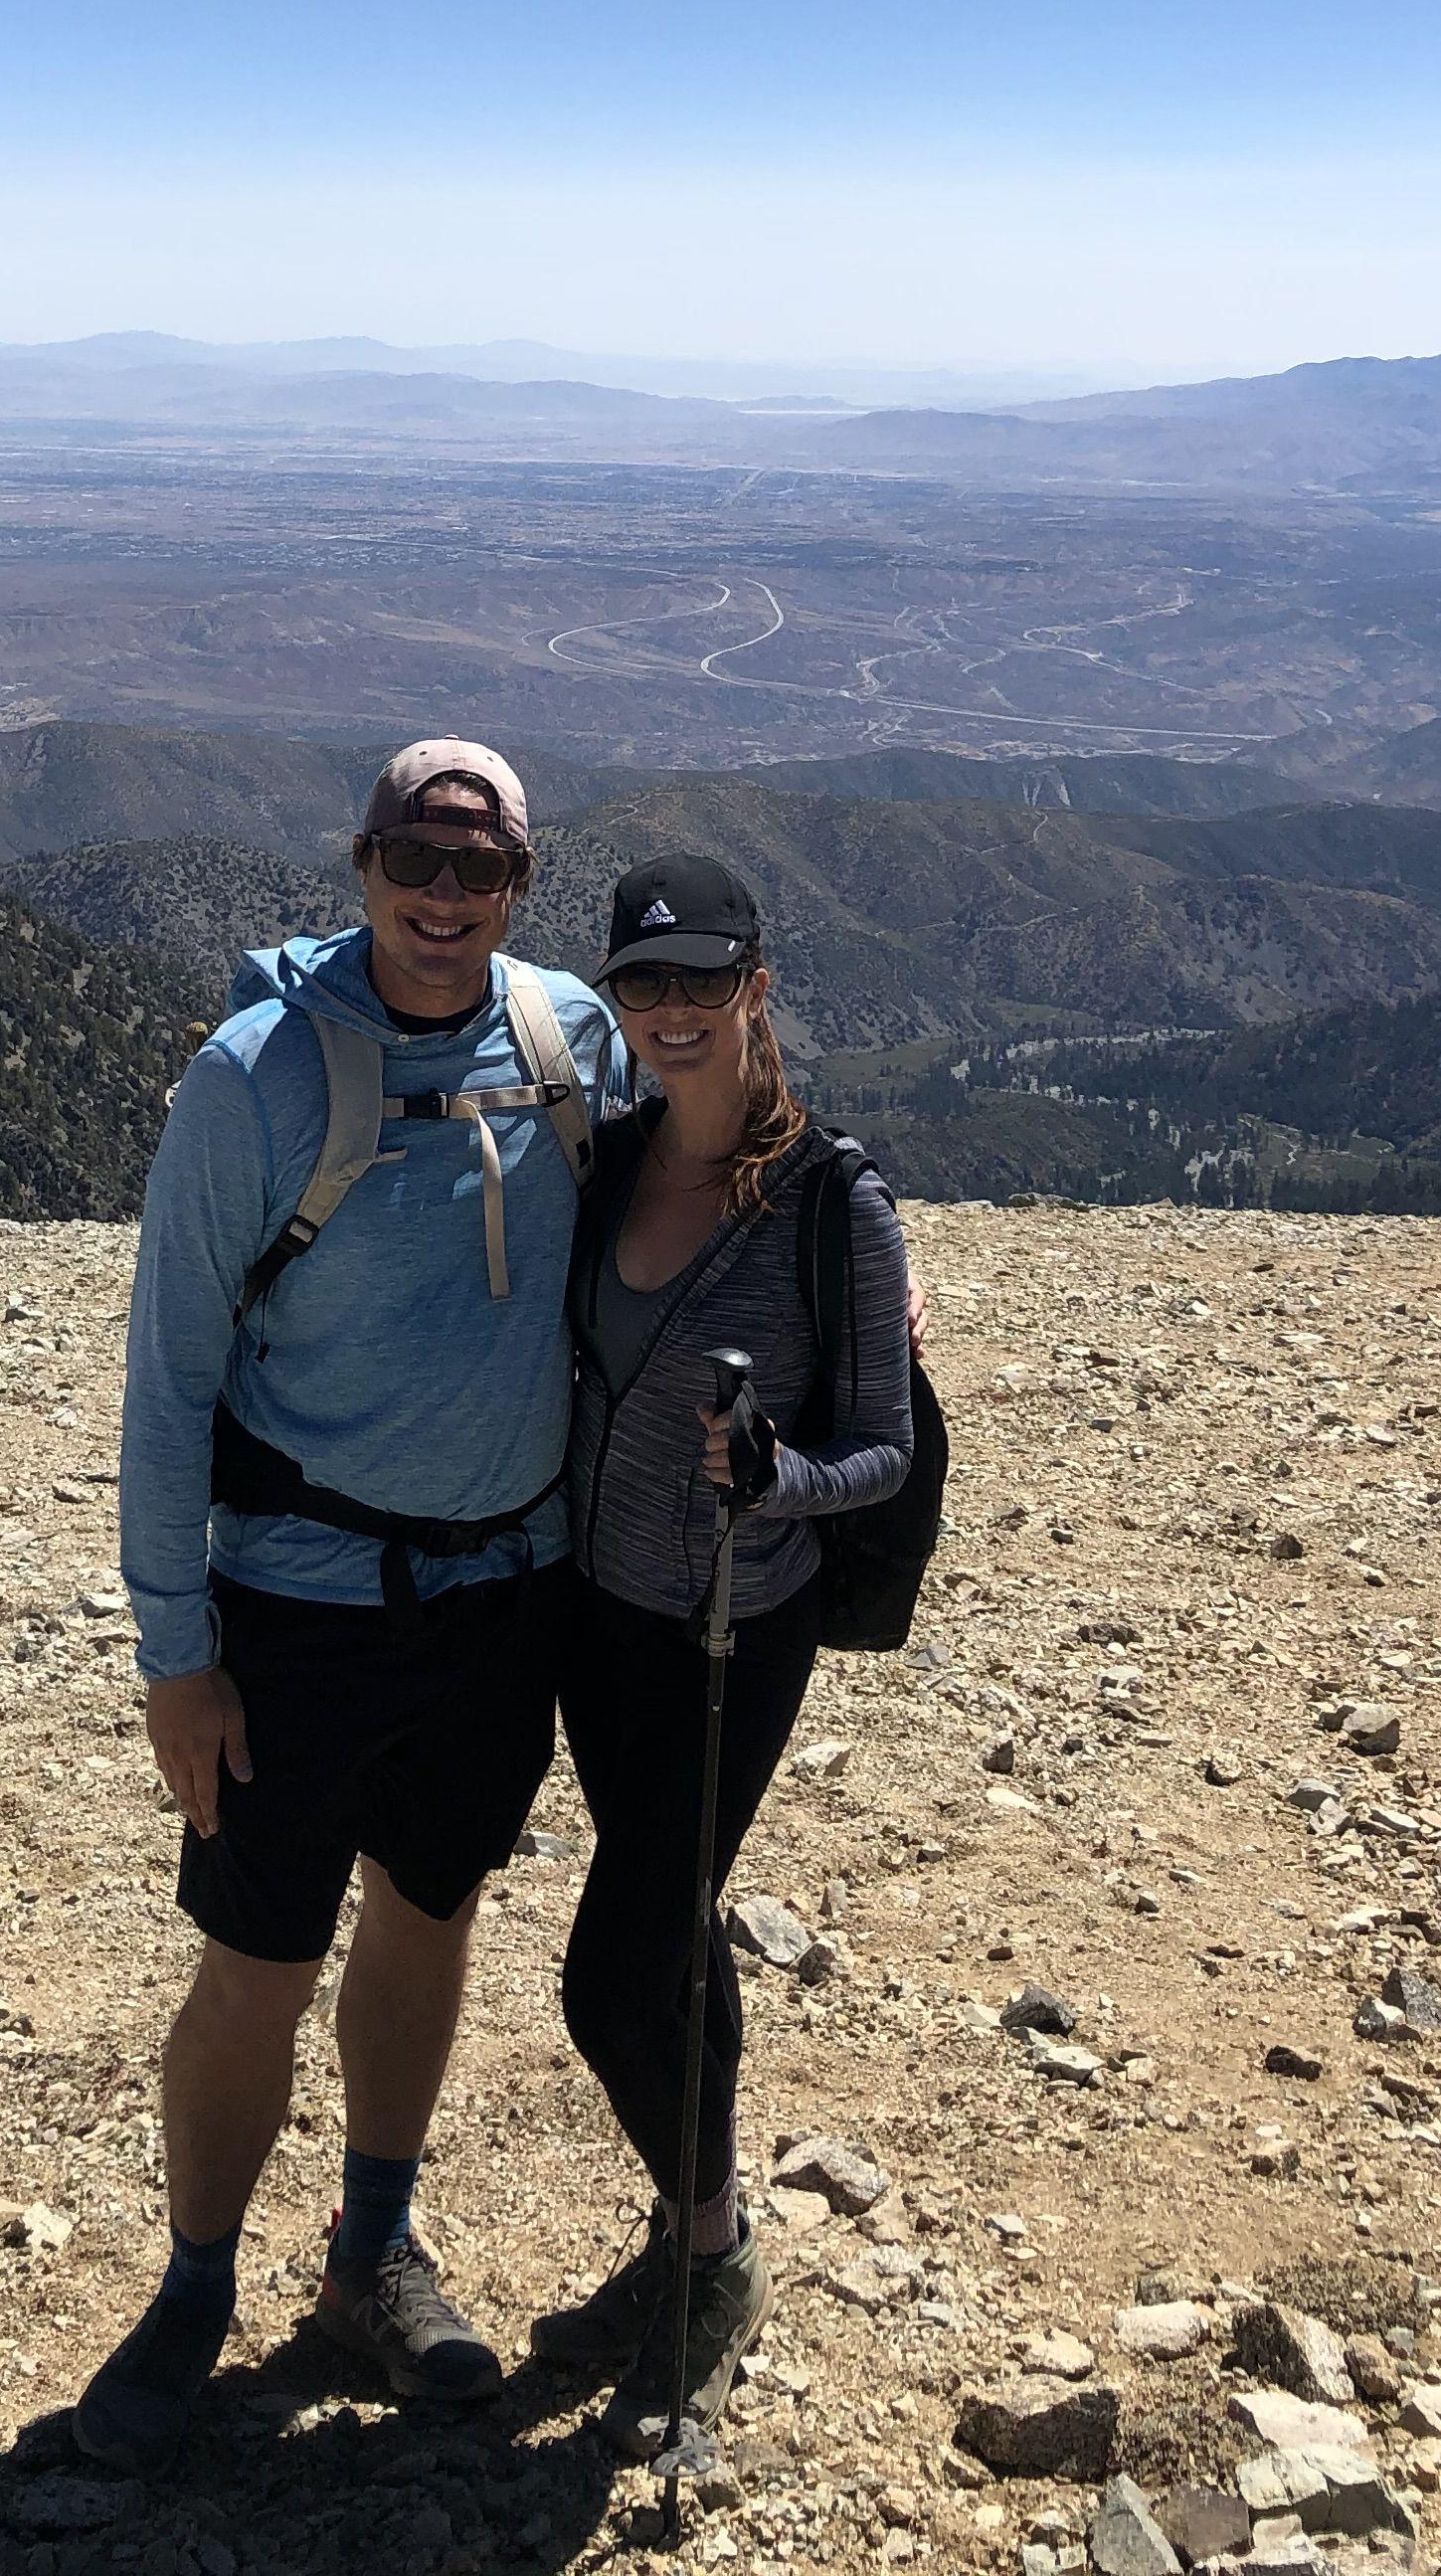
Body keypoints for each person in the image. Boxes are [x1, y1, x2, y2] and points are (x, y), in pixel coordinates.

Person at [76, 739, 622, 2474]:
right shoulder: (254, 1078)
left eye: (481, 869)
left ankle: (368, 2256)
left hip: (499, 1600)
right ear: (361, 858)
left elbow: (691, 1195)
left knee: (431, 1916)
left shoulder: (568, 1044)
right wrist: (178, 1657)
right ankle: (191, 2292)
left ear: (521, 884)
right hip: (297, 1608)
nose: (445, 896)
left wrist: (861, 1271)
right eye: (416, 858)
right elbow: (167, 1385)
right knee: (257, 1961)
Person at [529, 850, 914, 2459]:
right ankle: (689, 2235)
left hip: (728, 1637)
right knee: (673, 1935)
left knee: (609, 1978)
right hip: (597, 1623)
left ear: (757, 985)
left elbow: (884, 1448)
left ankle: (717, 2257)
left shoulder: (837, 1206)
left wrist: (780, 1483)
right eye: (643, 986)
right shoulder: (608, 1165)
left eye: (701, 981)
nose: (670, 1012)